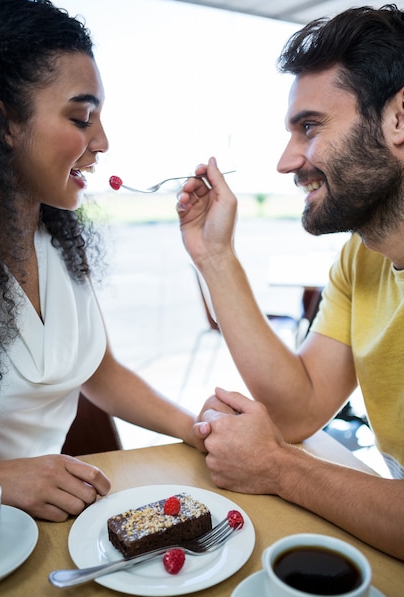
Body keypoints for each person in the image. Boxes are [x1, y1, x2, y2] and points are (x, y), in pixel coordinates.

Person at [177, 5, 404, 560]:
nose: (286, 162)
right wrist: (215, 257)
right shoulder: (362, 257)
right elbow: (299, 409)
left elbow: (284, 443)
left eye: (309, 127)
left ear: (399, 121)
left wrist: (278, 467)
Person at [0, 0, 202, 523]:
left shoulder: (57, 240)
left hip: (47, 530)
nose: (102, 142)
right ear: (3, 123)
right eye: (82, 118)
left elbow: (101, 373)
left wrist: (195, 428)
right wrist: (0, 478)